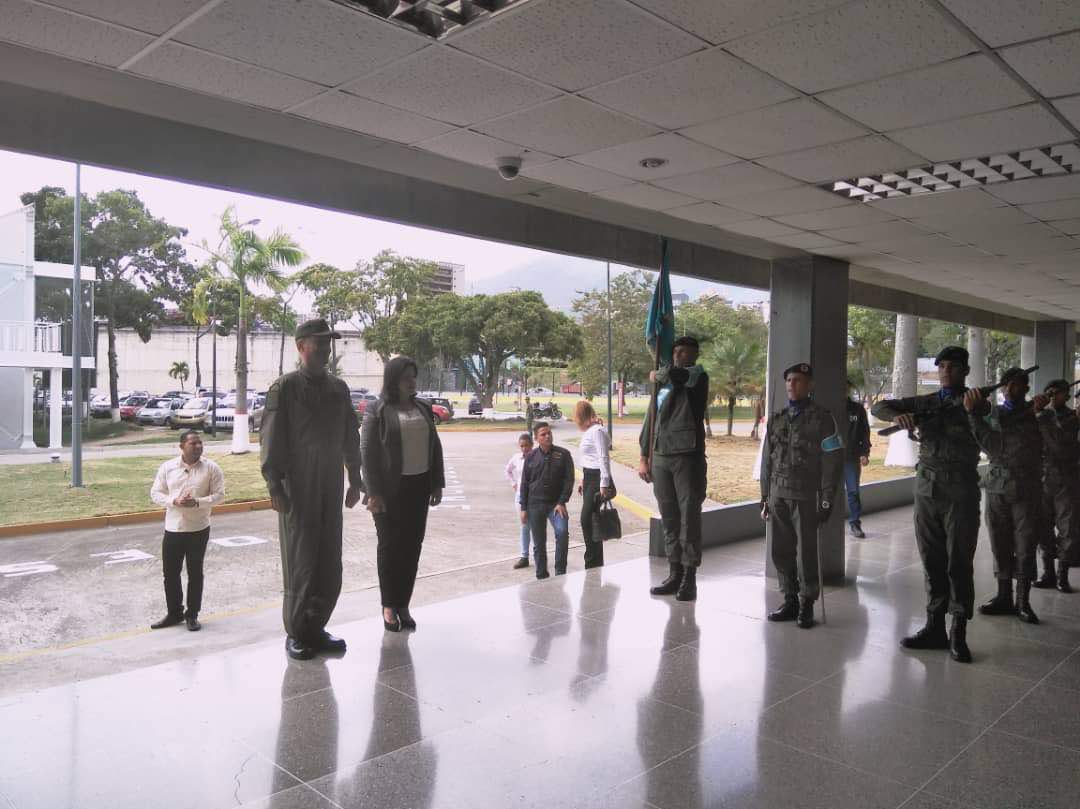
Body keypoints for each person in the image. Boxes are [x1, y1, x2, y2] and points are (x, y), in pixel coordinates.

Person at [260, 318, 364, 661]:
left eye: (327, 343)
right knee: (302, 559)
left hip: (330, 482)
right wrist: (274, 483)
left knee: (329, 559)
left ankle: (316, 626)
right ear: (301, 346)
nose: (324, 349)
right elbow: (272, 437)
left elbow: (350, 434)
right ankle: (296, 631)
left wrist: (356, 477)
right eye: (317, 343)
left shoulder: (339, 389)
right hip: (298, 483)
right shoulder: (285, 388)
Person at [872, 346, 979, 663]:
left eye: (953, 366)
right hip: (927, 488)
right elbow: (880, 407)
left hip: (960, 489)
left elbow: (993, 433)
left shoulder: (977, 404)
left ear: (965, 371)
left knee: (958, 561)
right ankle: (935, 627)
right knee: (932, 559)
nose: (946, 371)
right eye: (941, 366)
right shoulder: (927, 403)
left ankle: (959, 630)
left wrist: (978, 411)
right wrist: (899, 416)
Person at [361, 356, 445, 632]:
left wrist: (436, 483)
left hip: (419, 487)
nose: (413, 382)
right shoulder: (377, 409)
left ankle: (403, 604)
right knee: (390, 548)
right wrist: (373, 493)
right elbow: (368, 453)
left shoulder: (422, 406)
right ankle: (388, 605)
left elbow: (434, 446)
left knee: (412, 548)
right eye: (408, 377)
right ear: (394, 379)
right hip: (388, 491)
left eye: (414, 376)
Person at [760, 363, 843, 629]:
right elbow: (766, 461)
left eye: (797, 380)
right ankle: (790, 599)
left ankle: (807, 602)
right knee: (781, 551)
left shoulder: (823, 418)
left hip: (807, 495)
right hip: (778, 494)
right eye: (788, 381)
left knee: (807, 552)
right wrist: (764, 497)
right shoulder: (777, 418)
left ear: (810, 385)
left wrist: (828, 497)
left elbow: (832, 461)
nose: (791, 385)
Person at [965, 367, 1046, 624]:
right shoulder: (995, 413)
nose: (1010, 390)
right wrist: (975, 409)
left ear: (1026, 387)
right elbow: (982, 434)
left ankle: (1023, 601)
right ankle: (1004, 596)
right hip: (997, 485)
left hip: (1026, 486)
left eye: (1017, 385)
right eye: (1007, 385)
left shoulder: (1037, 414)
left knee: (1025, 544)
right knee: (999, 542)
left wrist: (1040, 411)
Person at [639, 335, 709, 602]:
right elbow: (650, 420)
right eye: (676, 351)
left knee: (688, 517)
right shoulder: (663, 383)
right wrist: (644, 455)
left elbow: (681, 376)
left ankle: (689, 578)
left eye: (685, 352)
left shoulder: (697, 377)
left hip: (687, 456)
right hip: (661, 455)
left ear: (695, 356)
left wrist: (657, 373)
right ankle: (674, 573)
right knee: (668, 516)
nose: (680, 356)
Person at [149, 429, 224, 631]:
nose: (198, 446)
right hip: (173, 528)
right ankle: (174, 614)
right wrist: (173, 500)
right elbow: (155, 493)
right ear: (182, 446)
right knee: (170, 573)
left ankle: (192, 615)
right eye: (193, 443)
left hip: (198, 529)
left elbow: (219, 495)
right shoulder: (168, 467)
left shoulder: (211, 468)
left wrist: (198, 502)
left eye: (200, 443)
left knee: (195, 573)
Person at [1034, 380, 1078, 593]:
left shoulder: (1073, 418)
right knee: (1043, 528)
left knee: (1067, 529)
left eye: (1057, 393)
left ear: (1067, 396)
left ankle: (1062, 575)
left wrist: (1042, 416)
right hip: (1042, 479)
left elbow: (1062, 444)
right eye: (1049, 392)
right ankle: (1048, 572)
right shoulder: (1038, 416)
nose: (1052, 397)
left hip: (1066, 480)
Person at [520, 422, 574, 578]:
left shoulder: (563, 454)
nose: (548, 436)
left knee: (562, 533)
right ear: (536, 438)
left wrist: (562, 501)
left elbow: (568, 480)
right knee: (539, 543)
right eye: (543, 434)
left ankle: (560, 573)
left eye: (549, 433)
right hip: (535, 505)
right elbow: (525, 483)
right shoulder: (530, 457)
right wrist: (523, 508)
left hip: (556, 505)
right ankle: (541, 575)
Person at [574, 400, 614, 569]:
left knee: (587, 520)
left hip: (597, 478)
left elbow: (603, 457)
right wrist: (583, 479)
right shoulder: (590, 430)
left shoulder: (596, 431)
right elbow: (588, 458)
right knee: (591, 520)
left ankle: (592, 560)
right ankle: (595, 560)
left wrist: (604, 484)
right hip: (589, 477)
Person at [844, 381, 872, 538]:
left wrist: (865, 453)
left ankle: (855, 523)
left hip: (851, 458)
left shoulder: (857, 409)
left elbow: (864, 432)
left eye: (845, 387)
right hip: (831, 459)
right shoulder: (829, 408)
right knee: (829, 492)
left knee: (853, 492)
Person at [504, 432, 534, 569]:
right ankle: (524, 556)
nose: (524, 449)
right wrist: (514, 484)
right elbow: (508, 470)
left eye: (527, 446)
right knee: (524, 525)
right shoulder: (516, 458)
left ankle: (539, 554)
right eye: (522, 446)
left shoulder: (536, 457)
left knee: (536, 526)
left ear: (532, 445)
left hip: (535, 496)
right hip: (521, 495)